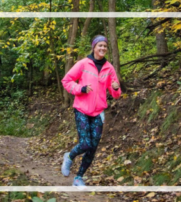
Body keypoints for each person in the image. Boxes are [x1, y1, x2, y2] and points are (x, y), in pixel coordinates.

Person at [61, 35, 121, 187]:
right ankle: (69, 156)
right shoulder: (83, 64)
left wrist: (115, 89)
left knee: (93, 147)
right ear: (94, 47)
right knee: (85, 143)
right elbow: (66, 81)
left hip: (98, 112)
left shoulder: (109, 68)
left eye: (105, 46)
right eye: (99, 45)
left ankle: (79, 177)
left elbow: (116, 93)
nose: (102, 48)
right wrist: (80, 89)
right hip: (81, 109)